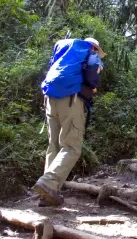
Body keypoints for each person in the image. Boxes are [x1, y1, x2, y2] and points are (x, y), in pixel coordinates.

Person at [33, 37, 105, 206]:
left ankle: (48, 194)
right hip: (71, 99)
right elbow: (92, 80)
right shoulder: (91, 54)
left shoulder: (66, 52)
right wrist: (93, 85)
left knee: (54, 146)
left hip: (50, 98)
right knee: (72, 147)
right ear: (94, 47)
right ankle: (49, 182)